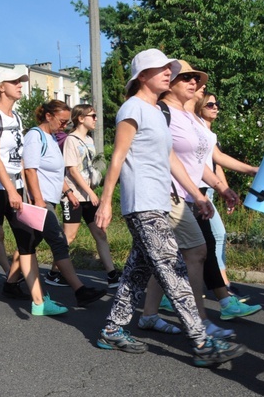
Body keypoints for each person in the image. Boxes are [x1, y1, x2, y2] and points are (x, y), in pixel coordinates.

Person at [94, 49, 245, 367]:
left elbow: (171, 159)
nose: (168, 72)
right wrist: (105, 202)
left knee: (137, 271)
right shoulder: (132, 108)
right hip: (142, 204)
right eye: (160, 68)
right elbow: (118, 157)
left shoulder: (158, 113)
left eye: (168, 68)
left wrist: (199, 196)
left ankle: (112, 329)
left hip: (159, 202)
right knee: (174, 270)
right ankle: (202, 343)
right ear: (142, 76)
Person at [140, 63, 260, 336]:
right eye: (186, 77)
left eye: (197, 78)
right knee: (197, 252)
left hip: (190, 195)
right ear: (169, 81)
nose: (194, 82)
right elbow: (165, 158)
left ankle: (147, 315)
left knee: (165, 257)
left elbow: (196, 160)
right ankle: (200, 321)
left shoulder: (190, 118)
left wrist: (220, 187)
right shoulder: (161, 112)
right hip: (168, 195)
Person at [0, 100, 106, 311]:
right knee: (58, 242)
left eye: (67, 122)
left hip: (50, 200)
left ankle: (11, 283)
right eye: (62, 120)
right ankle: (80, 290)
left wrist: (67, 191)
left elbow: (56, 173)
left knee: (28, 244)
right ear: (48, 116)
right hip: (41, 202)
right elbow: (29, 170)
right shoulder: (35, 136)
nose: (65, 125)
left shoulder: (51, 137)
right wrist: (38, 201)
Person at [195, 91, 257, 300]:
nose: (215, 107)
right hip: (194, 192)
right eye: (210, 104)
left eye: (216, 103)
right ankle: (223, 288)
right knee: (208, 240)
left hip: (207, 190)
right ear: (199, 107)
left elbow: (216, 163)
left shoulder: (209, 134)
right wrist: (251, 170)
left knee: (204, 242)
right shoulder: (194, 128)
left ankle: (219, 287)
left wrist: (225, 190)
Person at [54, 104, 120, 288]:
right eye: (93, 115)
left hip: (88, 196)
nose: (96, 119)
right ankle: (54, 273)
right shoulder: (71, 140)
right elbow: (72, 170)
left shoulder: (89, 140)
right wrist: (90, 192)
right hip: (74, 196)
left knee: (100, 233)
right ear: (81, 118)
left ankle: (112, 274)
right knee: (69, 236)